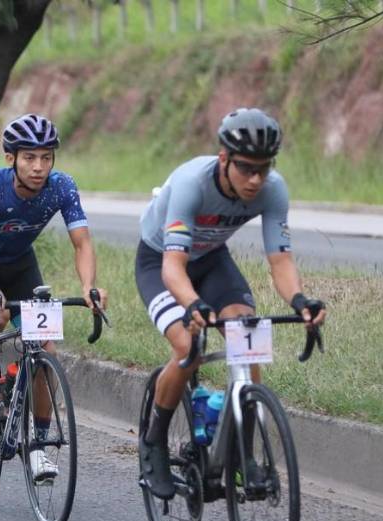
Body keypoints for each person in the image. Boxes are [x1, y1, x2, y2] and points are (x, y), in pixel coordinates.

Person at [135, 107, 327, 499]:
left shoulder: (274, 189)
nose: (256, 179)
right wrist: (192, 304)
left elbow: (280, 260)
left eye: (265, 168)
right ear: (224, 159)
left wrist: (300, 301)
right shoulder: (192, 183)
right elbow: (174, 268)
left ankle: (243, 454)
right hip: (161, 263)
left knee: (247, 333)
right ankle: (153, 442)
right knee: (189, 347)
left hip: (213, 261)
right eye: (246, 169)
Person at [0, 113, 107, 481]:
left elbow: (82, 242)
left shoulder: (62, 187)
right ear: (11, 159)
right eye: (29, 158)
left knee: (45, 351)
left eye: (46, 158)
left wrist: (88, 286)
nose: (39, 167)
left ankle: (38, 444)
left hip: (20, 263)